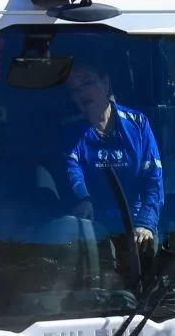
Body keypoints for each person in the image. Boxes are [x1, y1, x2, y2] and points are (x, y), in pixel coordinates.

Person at [61, 62, 165, 256]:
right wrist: (83, 200)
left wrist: (146, 223)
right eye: (73, 89)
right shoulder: (71, 133)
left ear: (106, 83)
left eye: (87, 83)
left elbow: (153, 178)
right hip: (93, 230)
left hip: (137, 226)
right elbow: (72, 173)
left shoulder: (138, 124)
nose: (80, 93)